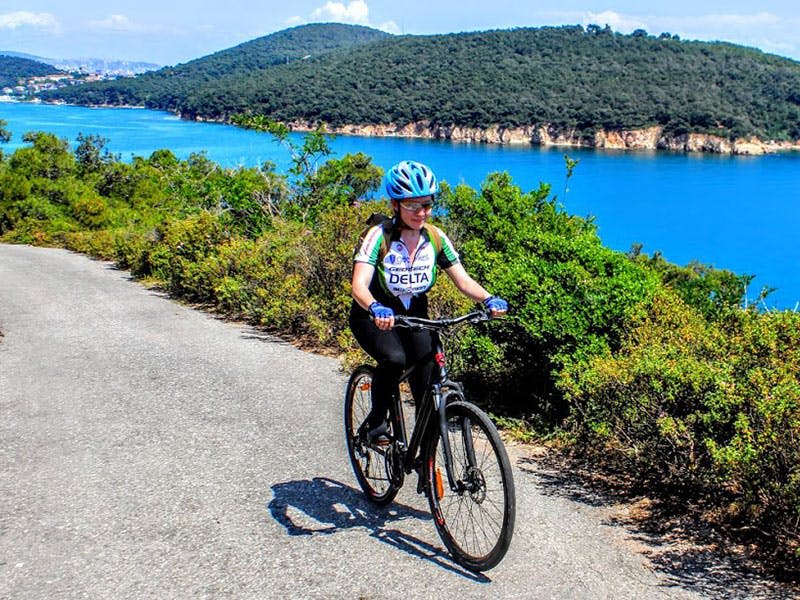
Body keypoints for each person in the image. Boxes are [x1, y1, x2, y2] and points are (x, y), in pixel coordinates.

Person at [349, 160, 508, 444]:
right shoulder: (379, 236)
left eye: (427, 204)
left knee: (429, 383)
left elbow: (463, 280)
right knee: (394, 359)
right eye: (412, 205)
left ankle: (426, 457)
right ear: (395, 204)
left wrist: (488, 299)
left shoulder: (435, 238)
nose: (421, 212)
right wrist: (375, 307)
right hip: (373, 315)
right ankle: (376, 424)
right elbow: (358, 285)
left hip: (416, 318)